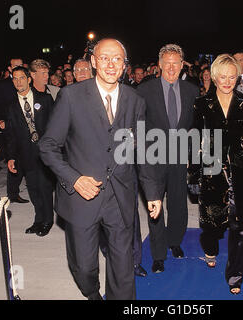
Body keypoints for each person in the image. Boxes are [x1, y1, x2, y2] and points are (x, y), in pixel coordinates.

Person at [38, 38, 162, 300]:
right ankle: (92, 294)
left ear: (125, 65)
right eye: (104, 58)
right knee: (83, 267)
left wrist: (152, 192)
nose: (110, 64)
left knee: (123, 266)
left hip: (120, 197)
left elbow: (140, 150)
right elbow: (48, 146)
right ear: (93, 61)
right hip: (82, 197)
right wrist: (74, 179)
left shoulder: (135, 101)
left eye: (117, 59)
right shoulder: (71, 96)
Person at [188, 54, 243, 294]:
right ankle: (210, 248)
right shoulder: (201, 104)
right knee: (212, 227)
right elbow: (194, 142)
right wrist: (193, 175)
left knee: (241, 228)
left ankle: (235, 275)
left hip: (242, 173)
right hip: (212, 172)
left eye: (232, 77)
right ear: (213, 77)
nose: (227, 81)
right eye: (222, 77)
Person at [137, 44, 199, 273]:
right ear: (159, 65)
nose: (171, 67)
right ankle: (158, 254)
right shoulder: (145, 90)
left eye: (176, 63)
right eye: (167, 63)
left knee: (178, 202)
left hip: (180, 155)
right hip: (153, 155)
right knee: (155, 205)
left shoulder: (192, 90)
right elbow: (139, 124)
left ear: (182, 65)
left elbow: (195, 126)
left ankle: (175, 242)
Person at [5, 66, 54, 236]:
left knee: (45, 187)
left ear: (29, 79)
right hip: (25, 155)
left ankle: (48, 220)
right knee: (33, 189)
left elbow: (55, 125)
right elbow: (10, 135)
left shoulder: (45, 99)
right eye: (15, 79)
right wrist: (10, 157)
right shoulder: (11, 107)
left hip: (45, 153)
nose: (18, 81)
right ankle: (38, 220)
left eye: (21, 78)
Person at [0, 58, 30, 204]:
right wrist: (0, 120)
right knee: (13, 159)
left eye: (21, 65)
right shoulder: (2, 85)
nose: (18, 68)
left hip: (26, 125)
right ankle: (13, 193)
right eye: (15, 66)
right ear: (9, 68)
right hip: (10, 124)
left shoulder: (26, 80)